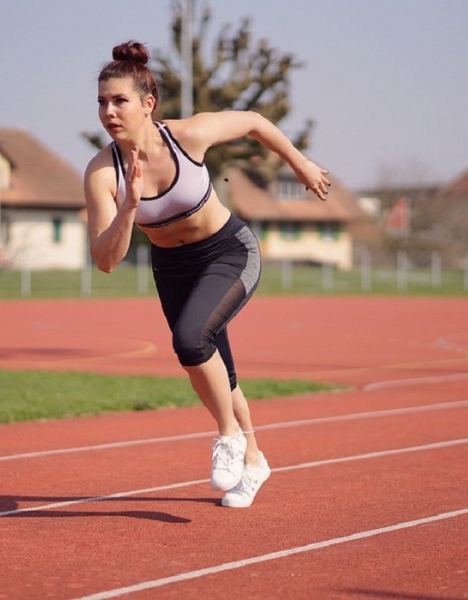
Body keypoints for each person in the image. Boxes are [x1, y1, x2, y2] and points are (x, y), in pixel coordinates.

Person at [83, 41, 330, 508]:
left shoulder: (188, 135)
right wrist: (129, 206)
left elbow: (255, 122)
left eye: (119, 100)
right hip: (171, 267)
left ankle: (229, 437)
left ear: (147, 104)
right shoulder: (102, 172)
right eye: (101, 102)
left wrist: (300, 164)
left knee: (190, 340)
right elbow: (106, 259)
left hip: (227, 252)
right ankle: (255, 460)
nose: (108, 112)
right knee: (218, 369)